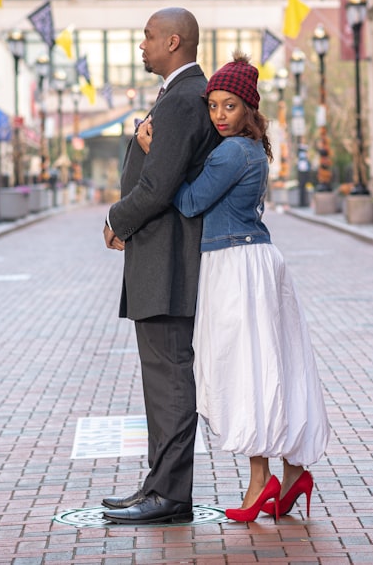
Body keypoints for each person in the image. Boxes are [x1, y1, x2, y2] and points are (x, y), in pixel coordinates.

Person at [136, 51, 330, 523]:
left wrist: (156, 157)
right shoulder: (251, 149)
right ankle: (291, 469)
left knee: (246, 368)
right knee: (272, 363)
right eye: (214, 106)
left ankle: (261, 482)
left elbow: (189, 202)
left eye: (230, 106)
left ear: (249, 109)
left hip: (235, 263)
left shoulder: (230, 152)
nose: (220, 116)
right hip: (251, 259)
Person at [101, 8, 221, 525]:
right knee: (162, 378)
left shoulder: (180, 101)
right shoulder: (179, 96)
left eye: (148, 37)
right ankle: (158, 485)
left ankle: (170, 496)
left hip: (168, 264)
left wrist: (116, 219)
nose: (141, 45)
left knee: (169, 377)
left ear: (174, 42)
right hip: (162, 261)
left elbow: (158, 187)